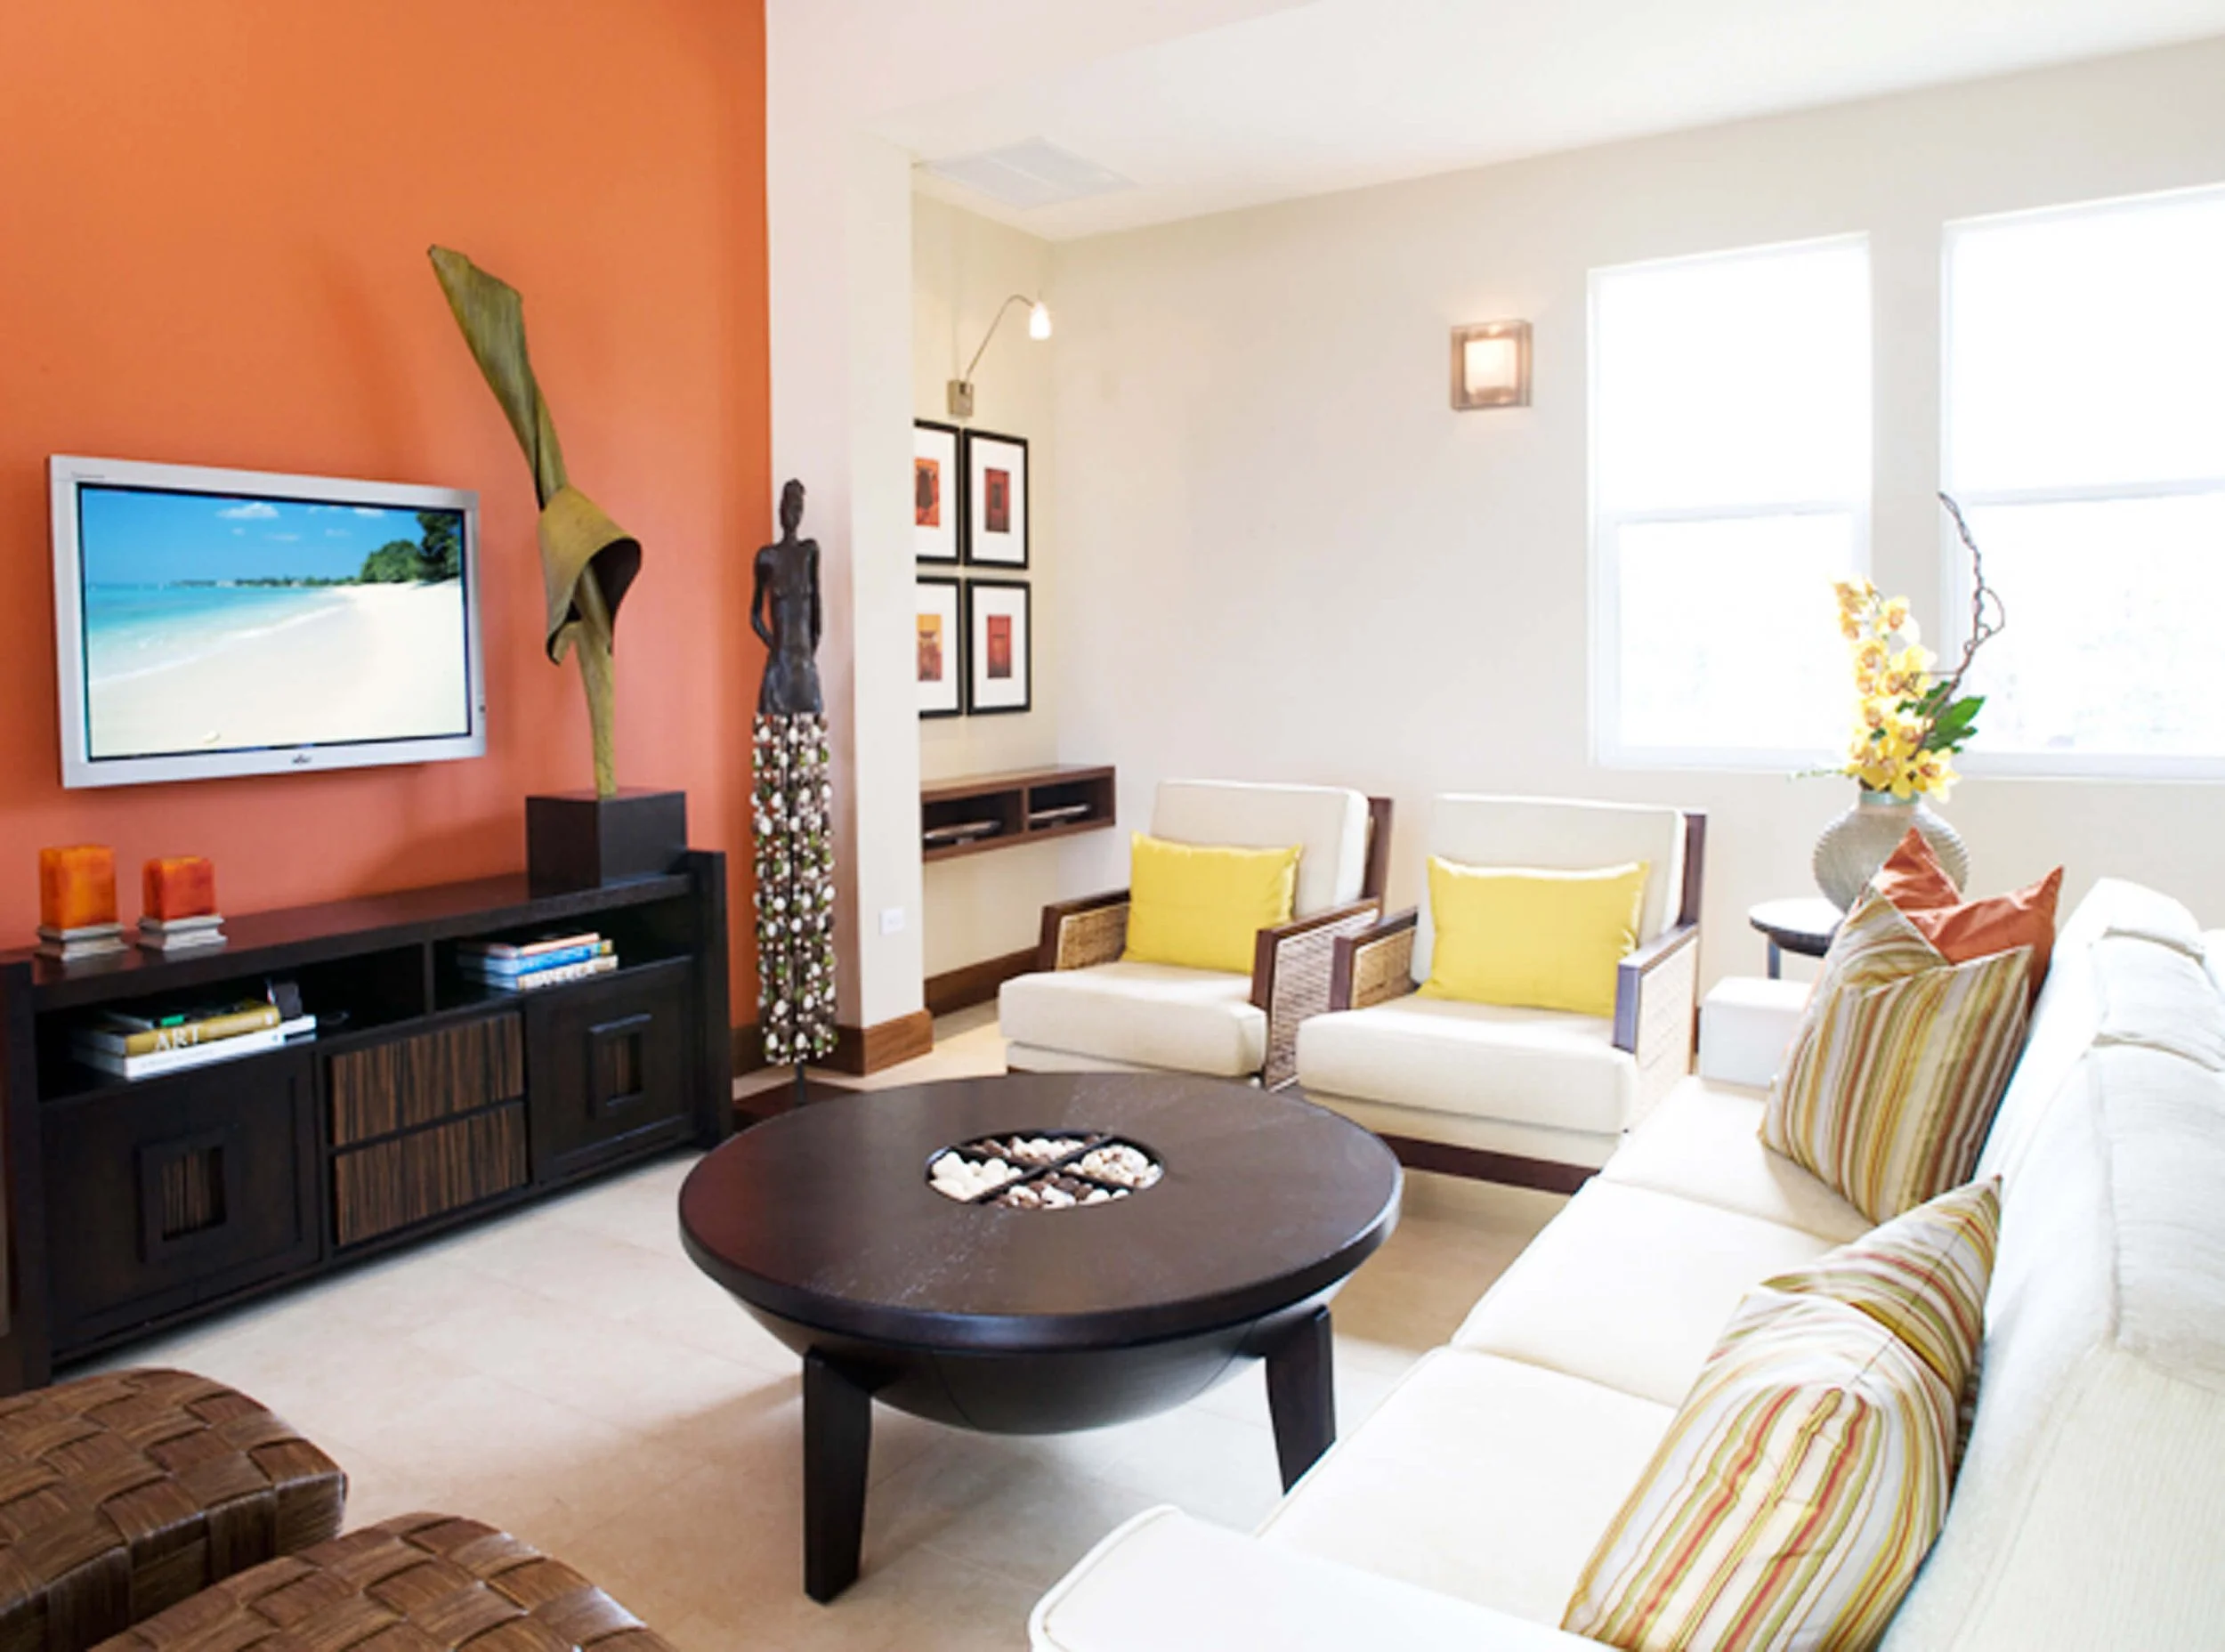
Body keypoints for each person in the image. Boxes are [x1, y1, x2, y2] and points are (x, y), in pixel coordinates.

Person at [752, 480, 822, 717]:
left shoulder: (809, 552)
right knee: (772, 729)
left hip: (803, 661)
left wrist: (808, 652)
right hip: (780, 662)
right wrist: (774, 644)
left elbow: (817, 612)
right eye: (788, 505)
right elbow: (755, 616)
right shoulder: (767, 557)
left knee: (809, 729)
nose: (792, 513)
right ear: (779, 509)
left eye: (797, 507)